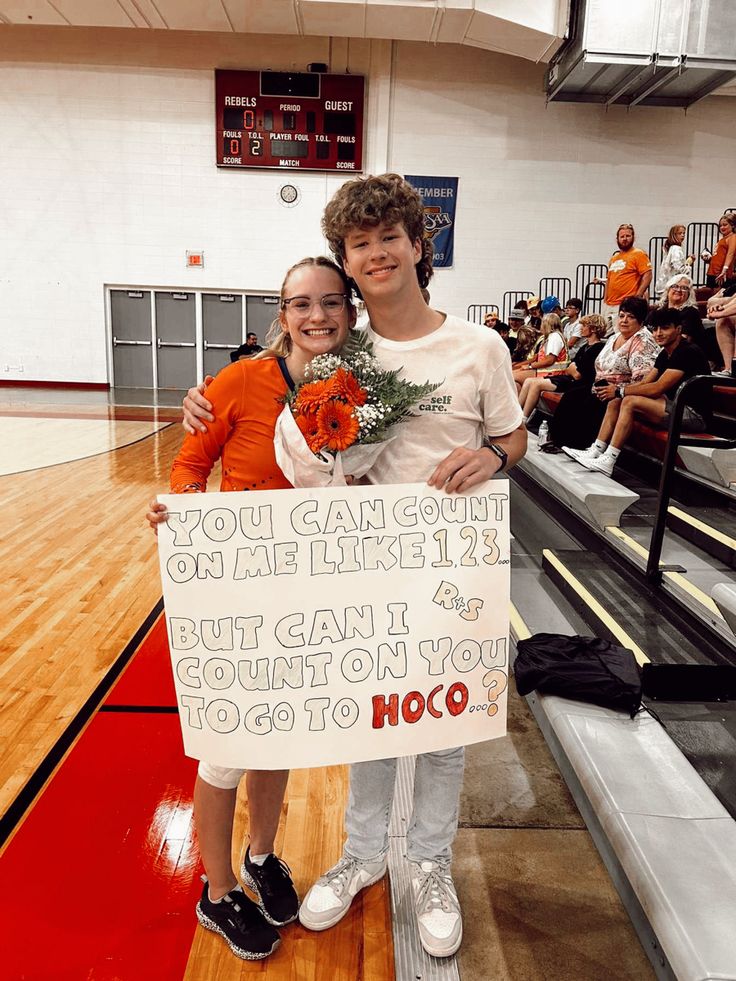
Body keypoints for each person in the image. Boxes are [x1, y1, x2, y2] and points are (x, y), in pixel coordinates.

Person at [182, 173, 527, 959]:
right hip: (363, 570)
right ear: (346, 259)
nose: (375, 254)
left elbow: (516, 438)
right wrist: (198, 401)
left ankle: (429, 862)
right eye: (358, 244)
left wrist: (492, 454)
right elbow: (272, 404)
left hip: (450, 566)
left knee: (442, 728)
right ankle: (363, 852)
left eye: (388, 238)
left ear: (417, 245)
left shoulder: (479, 347)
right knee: (369, 722)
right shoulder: (346, 345)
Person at [147, 256, 356, 962]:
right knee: (228, 746)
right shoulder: (240, 381)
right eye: (302, 303)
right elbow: (189, 463)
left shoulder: (367, 387)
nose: (316, 315)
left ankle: (263, 855)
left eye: (331, 302)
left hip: (313, 592)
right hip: (241, 592)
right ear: (282, 313)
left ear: (350, 311)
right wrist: (184, 513)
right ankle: (216, 886)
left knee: (281, 735)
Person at [573, 307, 711, 477]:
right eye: (655, 329)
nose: (658, 333)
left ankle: (609, 459)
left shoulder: (687, 352)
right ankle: (597, 450)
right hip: (674, 406)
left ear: (679, 329)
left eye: (665, 328)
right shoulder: (664, 353)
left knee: (629, 401)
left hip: (694, 415)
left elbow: (657, 388)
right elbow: (646, 382)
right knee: (617, 401)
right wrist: (619, 393)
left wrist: (619, 390)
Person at [553, 296, 659, 452]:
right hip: (601, 385)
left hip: (621, 391)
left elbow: (642, 380)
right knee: (571, 396)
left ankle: (582, 446)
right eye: (622, 315)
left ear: (640, 321)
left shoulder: (643, 342)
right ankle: (560, 442)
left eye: (631, 317)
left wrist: (615, 389)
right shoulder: (614, 337)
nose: (624, 320)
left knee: (590, 403)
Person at [518, 314, 607, 424]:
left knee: (536, 384)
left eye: (584, 326)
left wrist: (572, 369)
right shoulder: (584, 347)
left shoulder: (598, 348)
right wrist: (572, 368)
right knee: (528, 381)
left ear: (593, 329)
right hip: (567, 377)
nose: (581, 328)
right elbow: (570, 368)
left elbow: (577, 374)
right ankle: (516, 415)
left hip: (577, 384)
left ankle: (523, 420)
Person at [594, 224, 652, 333]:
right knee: (602, 333)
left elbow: (647, 274)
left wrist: (637, 296)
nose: (624, 239)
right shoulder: (614, 258)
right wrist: (605, 300)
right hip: (609, 304)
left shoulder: (639, 254)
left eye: (627, 236)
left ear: (633, 237)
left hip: (625, 304)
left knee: (623, 334)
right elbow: (609, 279)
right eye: (622, 236)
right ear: (617, 239)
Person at [512, 313, 567, 388]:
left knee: (511, 377)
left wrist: (529, 366)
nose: (541, 326)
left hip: (552, 374)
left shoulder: (554, 337)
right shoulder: (548, 338)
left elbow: (549, 360)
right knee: (515, 383)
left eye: (542, 323)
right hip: (543, 371)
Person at [655, 224, 694, 297]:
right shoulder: (676, 249)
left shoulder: (670, 248)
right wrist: (689, 263)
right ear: (674, 235)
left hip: (664, 284)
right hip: (671, 284)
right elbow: (680, 269)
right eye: (680, 233)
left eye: (684, 233)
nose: (682, 235)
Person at [704, 213, 736, 290]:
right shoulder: (723, 239)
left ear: (733, 225)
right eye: (720, 225)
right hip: (713, 272)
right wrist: (709, 259)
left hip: (721, 274)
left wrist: (724, 270)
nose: (722, 227)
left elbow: (730, 254)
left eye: (725, 225)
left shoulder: (733, 237)